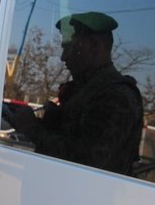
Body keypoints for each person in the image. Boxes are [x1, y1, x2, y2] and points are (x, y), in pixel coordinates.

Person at [11, 11, 144, 175]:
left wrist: (32, 129)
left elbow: (87, 161)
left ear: (94, 46)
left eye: (69, 47)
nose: (63, 57)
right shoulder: (86, 90)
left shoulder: (116, 97)